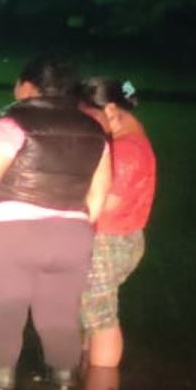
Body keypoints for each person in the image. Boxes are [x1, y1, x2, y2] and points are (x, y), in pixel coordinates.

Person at [0, 56, 111, 390]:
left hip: (9, 235)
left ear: (27, 86)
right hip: (73, 236)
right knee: (60, 320)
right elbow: (97, 199)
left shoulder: (13, 124)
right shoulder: (94, 131)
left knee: (4, 319)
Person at [79, 77, 155, 369]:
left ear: (110, 111)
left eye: (86, 116)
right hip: (120, 239)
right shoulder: (130, 143)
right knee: (91, 313)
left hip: (106, 242)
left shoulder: (125, 150)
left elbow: (105, 202)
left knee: (100, 319)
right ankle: (86, 381)